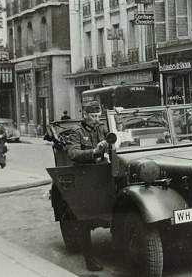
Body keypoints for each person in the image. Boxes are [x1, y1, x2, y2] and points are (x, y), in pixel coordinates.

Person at [64, 105, 109, 271]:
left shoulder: (102, 129)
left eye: (99, 116)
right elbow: (73, 153)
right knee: (84, 217)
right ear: (85, 115)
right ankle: (89, 259)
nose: (97, 119)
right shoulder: (77, 132)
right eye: (94, 116)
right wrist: (94, 152)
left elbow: (115, 139)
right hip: (85, 176)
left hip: (102, 174)